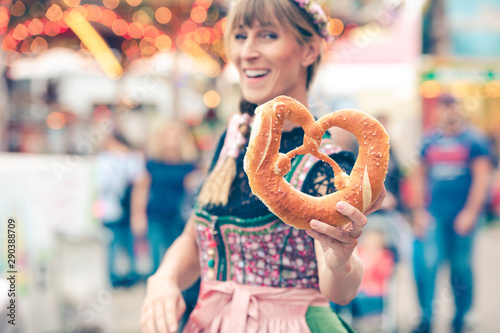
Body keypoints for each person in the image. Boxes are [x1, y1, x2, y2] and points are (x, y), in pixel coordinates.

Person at [140, 1, 385, 332]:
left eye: (268, 35)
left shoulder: (327, 164)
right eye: (240, 36)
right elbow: (196, 236)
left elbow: (339, 289)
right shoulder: (234, 139)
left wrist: (341, 261)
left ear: (309, 50)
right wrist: (164, 278)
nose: (247, 52)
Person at [411, 94, 494, 333]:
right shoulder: (429, 140)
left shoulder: (474, 140)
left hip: (463, 215)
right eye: (444, 107)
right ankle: (425, 318)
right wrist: (419, 213)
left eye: (452, 106)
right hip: (434, 215)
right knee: (427, 264)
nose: (449, 111)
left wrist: (470, 213)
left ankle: (461, 316)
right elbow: (419, 177)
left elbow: (482, 178)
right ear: (437, 111)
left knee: (461, 266)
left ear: (459, 109)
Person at [96, 131, 145, 288]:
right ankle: (130, 274)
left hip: (111, 210)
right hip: (128, 209)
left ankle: (113, 276)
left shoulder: (103, 160)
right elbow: (140, 180)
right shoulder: (134, 159)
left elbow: (101, 184)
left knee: (112, 244)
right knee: (129, 243)